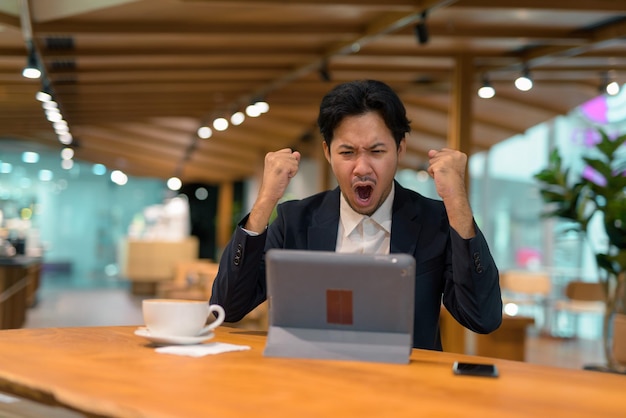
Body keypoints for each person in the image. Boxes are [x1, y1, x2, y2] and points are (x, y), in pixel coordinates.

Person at [210, 79, 502, 350]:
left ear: (400, 148)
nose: (361, 167)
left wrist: (457, 201)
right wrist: (265, 201)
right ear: (327, 152)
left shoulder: (434, 221)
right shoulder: (295, 220)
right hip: (312, 384)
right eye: (347, 153)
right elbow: (228, 307)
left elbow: (482, 318)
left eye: (376, 151)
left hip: (407, 391)